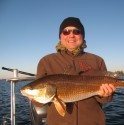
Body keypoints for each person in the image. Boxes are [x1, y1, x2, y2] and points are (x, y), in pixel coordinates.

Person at [35, 17, 115, 125]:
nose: (71, 35)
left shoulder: (97, 60)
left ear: (82, 35)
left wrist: (106, 94)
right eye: (66, 32)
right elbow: (39, 103)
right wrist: (34, 97)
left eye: (76, 31)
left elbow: (105, 100)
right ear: (60, 36)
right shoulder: (46, 61)